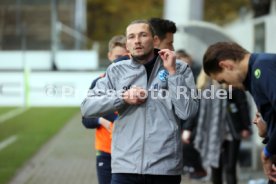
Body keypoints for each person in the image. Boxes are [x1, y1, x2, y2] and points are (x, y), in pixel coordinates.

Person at [81, 19, 198, 184]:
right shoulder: (116, 70)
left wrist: (172, 74)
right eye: (131, 37)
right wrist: (123, 97)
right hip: (125, 167)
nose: (137, 41)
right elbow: (87, 107)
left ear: (155, 40)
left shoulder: (180, 68)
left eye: (143, 35)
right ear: (127, 44)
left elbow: (188, 111)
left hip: (165, 168)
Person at [202, 41, 276, 182]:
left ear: (226, 65)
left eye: (223, 80)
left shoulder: (262, 67)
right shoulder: (253, 77)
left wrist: (268, 151)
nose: (227, 85)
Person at [81, 35, 128, 184]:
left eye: (126, 56)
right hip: (106, 152)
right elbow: (86, 120)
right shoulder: (99, 82)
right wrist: (102, 121)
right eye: (117, 56)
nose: (121, 60)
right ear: (109, 56)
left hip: (130, 153)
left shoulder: (137, 81)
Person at [194, 69, 251, 184]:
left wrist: (246, 126)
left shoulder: (231, 84)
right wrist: (188, 128)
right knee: (216, 166)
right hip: (212, 132)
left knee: (230, 167)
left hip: (232, 131)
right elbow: (197, 112)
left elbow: (242, 105)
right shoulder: (203, 88)